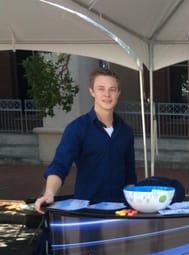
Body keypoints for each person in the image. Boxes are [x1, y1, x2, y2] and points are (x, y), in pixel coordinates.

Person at [34, 68, 136, 213]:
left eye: (112, 89)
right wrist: (49, 193)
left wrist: (135, 204)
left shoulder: (126, 131)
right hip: (88, 211)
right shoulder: (77, 128)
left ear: (118, 93)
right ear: (92, 91)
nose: (107, 94)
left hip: (121, 211)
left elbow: (130, 175)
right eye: (101, 89)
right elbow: (59, 166)